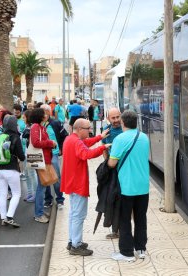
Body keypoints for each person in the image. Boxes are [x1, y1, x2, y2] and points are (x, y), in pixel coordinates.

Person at [61, 119, 110, 256]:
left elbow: (86, 144)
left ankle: (72, 241)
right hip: (77, 183)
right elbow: (87, 154)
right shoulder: (76, 141)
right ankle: (76, 245)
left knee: (73, 214)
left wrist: (100, 137)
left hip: (71, 182)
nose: (90, 130)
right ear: (79, 129)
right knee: (79, 215)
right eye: (88, 128)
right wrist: (103, 147)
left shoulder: (70, 139)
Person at [108, 110, 150, 262]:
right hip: (143, 185)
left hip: (127, 186)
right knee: (140, 217)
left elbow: (112, 163)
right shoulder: (144, 137)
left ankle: (126, 253)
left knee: (124, 219)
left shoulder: (120, 139)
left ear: (123, 122)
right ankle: (141, 248)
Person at [0, 116, 25, 227]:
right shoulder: (15, 137)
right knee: (16, 194)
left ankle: (3, 218)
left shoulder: (0, 136)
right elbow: (21, 156)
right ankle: (9, 217)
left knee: (3, 193)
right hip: (11, 169)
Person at [30, 108, 57, 223]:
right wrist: (51, 143)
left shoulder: (41, 127)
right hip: (41, 160)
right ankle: (38, 214)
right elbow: (36, 143)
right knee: (41, 187)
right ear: (40, 116)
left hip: (44, 159)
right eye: (44, 114)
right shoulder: (36, 127)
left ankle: (39, 211)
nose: (46, 115)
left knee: (43, 186)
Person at [101, 107, 123, 239]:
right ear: (108, 119)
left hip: (125, 172)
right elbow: (104, 148)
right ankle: (116, 230)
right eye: (113, 118)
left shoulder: (126, 130)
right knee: (112, 201)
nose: (116, 120)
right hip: (113, 171)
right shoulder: (106, 132)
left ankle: (123, 230)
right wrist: (108, 165)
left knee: (124, 202)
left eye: (117, 117)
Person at [41, 104, 65, 210]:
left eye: (46, 111)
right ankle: (48, 199)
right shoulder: (38, 125)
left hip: (53, 153)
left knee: (56, 177)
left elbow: (65, 135)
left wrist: (61, 148)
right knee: (45, 178)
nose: (44, 113)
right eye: (42, 111)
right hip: (42, 154)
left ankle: (60, 199)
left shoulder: (55, 123)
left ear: (49, 112)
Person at [21, 110, 37, 202]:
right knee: (27, 174)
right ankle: (30, 193)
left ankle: (35, 194)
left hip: (32, 153)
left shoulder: (32, 127)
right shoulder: (27, 127)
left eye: (24, 117)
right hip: (26, 152)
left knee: (32, 174)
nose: (23, 119)